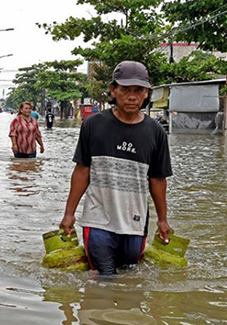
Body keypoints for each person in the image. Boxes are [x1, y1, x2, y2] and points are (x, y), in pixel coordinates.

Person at [59, 61, 173, 276]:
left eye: (138, 91)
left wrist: (163, 220)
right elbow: (82, 171)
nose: (132, 97)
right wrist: (69, 214)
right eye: (125, 90)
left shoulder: (155, 132)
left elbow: (157, 179)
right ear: (113, 90)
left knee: (130, 280)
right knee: (105, 278)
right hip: (97, 220)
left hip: (135, 224)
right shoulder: (93, 125)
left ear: (147, 93)